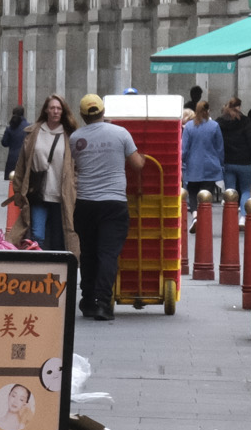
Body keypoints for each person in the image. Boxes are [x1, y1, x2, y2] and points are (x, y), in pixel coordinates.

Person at [69, 94, 148, 320]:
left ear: (83, 115)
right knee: (108, 254)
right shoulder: (120, 133)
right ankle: (104, 303)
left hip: (85, 203)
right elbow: (137, 164)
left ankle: (87, 300)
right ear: (104, 112)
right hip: (114, 204)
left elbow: (73, 166)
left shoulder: (76, 138)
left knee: (89, 253)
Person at [11, 94, 77, 254]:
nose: (55, 111)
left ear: (63, 112)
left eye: (59, 108)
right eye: (52, 108)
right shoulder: (34, 133)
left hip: (61, 196)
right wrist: (18, 190)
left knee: (59, 239)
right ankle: (38, 271)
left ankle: (58, 274)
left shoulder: (70, 135)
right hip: (38, 194)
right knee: (37, 236)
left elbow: (76, 167)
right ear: (46, 110)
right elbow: (22, 165)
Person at [181, 98, 225, 204]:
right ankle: (203, 216)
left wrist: (183, 162)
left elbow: (184, 149)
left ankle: (195, 214)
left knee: (192, 194)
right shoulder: (214, 126)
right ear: (208, 111)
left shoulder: (189, 127)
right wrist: (221, 165)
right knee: (206, 197)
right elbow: (220, 148)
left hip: (193, 166)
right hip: (211, 166)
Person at [217, 92, 251, 202]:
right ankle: (243, 217)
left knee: (230, 191)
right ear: (239, 107)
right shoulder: (245, 121)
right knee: (246, 190)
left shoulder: (220, 122)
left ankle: (231, 217)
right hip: (244, 161)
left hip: (228, 161)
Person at [0, 105, 28, 180]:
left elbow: (4, 143)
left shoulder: (10, 128)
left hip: (12, 158)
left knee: (11, 182)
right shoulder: (29, 127)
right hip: (25, 158)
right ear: (23, 114)